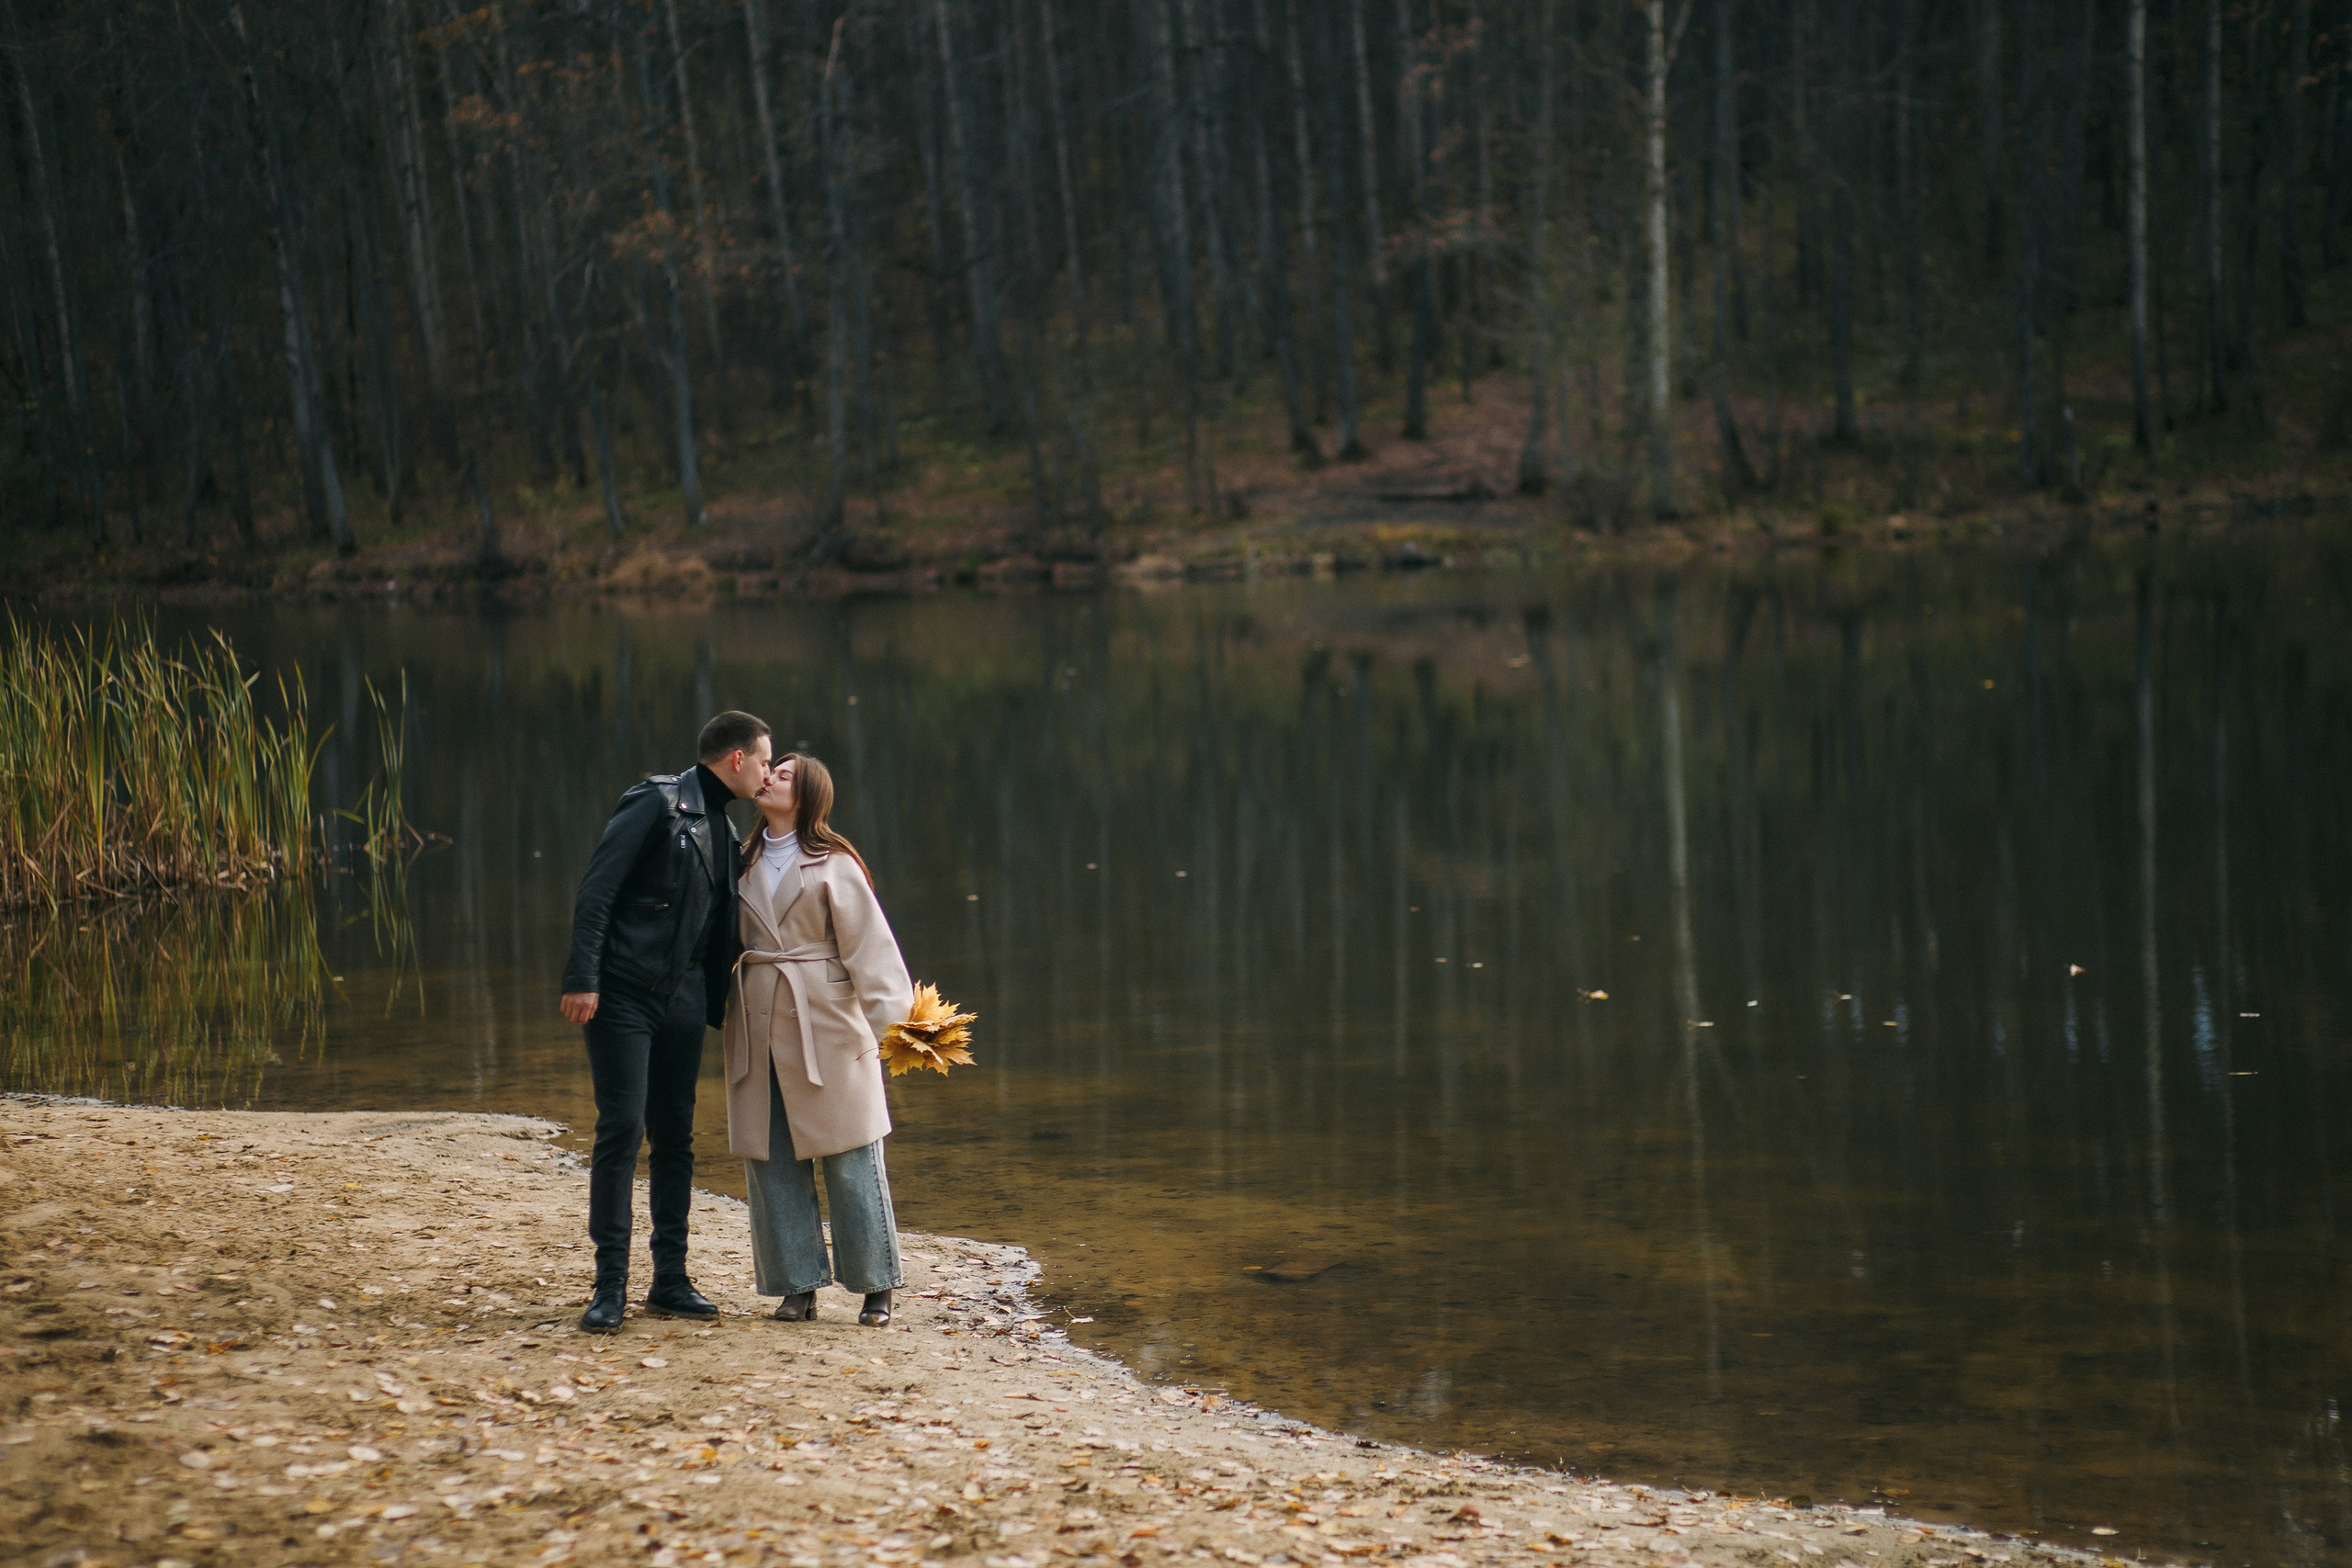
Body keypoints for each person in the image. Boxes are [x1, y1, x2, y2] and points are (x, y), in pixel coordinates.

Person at [560, 710, 773, 1334]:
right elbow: (598, 890)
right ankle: (609, 1286)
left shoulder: (725, 828)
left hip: (683, 1000)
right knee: (622, 1129)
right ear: (736, 758)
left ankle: (670, 1280)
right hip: (623, 992)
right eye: (764, 761)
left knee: (675, 1137)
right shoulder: (656, 802)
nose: (767, 774)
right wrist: (582, 977)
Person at [724, 752, 912, 1327]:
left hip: (828, 1022)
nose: (769, 778)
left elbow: (871, 951)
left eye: (783, 775)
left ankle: (876, 1285)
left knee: (852, 1154)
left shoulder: (835, 864)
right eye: (770, 770)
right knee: (772, 1156)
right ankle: (797, 1285)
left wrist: (900, 1032)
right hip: (757, 1018)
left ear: (806, 796)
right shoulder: (739, 858)